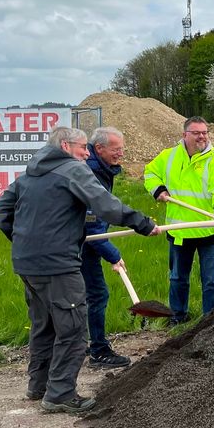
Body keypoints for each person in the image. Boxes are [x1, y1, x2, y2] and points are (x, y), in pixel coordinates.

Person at [0, 127, 158, 414]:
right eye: (83, 147)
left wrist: (24, 241)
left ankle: (39, 385)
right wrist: (143, 223)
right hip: (58, 264)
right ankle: (60, 394)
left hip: (26, 263)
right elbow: (106, 206)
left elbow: (0, 213)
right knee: (72, 328)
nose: (87, 153)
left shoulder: (30, 173)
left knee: (44, 326)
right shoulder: (73, 169)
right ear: (66, 146)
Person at [144, 116, 214, 326]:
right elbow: (150, 173)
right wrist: (158, 190)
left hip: (209, 229)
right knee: (177, 279)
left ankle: (210, 323)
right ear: (185, 135)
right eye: (196, 133)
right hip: (179, 230)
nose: (202, 136)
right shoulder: (169, 156)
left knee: (213, 282)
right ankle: (177, 317)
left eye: (205, 132)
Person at [80, 127, 132, 369]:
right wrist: (114, 255)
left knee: (78, 297)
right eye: (116, 149)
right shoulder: (91, 173)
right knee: (97, 294)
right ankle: (98, 351)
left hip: (80, 242)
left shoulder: (100, 169)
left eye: (122, 148)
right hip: (81, 245)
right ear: (99, 148)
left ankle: (79, 345)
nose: (120, 154)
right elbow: (93, 227)